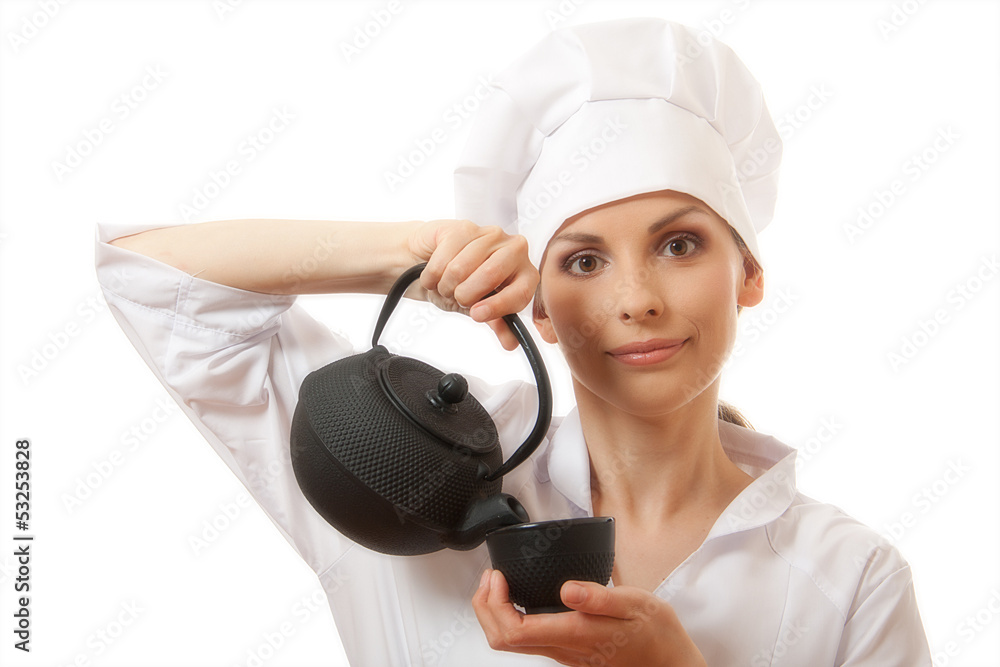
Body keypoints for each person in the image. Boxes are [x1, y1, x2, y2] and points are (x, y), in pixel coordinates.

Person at [94, 17, 931, 666]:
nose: (635, 300)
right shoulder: (416, 471)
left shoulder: (851, 577)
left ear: (747, 274)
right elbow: (151, 280)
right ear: (539, 307)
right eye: (584, 259)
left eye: (680, 244)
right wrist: (413, 257)